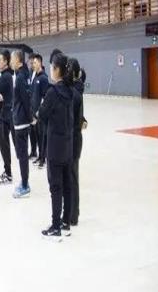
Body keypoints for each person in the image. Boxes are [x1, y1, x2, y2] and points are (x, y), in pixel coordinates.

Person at [38, 52, 74, 241]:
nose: (51, 70)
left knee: (55, 187)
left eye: (52, 67)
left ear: (57, 69)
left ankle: (55, 226)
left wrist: (40, 111)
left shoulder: (53, 92)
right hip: (68, 144)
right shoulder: (70, 91)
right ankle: (66, 223)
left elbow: (42, 115)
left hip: (55, 146)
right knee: (67, 185)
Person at [10, 50, 32, 199]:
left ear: (18, 60)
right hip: (22, 120)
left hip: (22, 122)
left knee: (22, 155)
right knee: (22, 154)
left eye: (12, 59)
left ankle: (25, 185)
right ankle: (24, 181)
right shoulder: (22, 74)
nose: (11, 61)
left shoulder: (20, 77)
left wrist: (29, 118)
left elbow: (25, 99)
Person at [68, 58, 87, 227]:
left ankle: (73, 214)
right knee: (72, 176)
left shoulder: (74, 92)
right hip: (75, 137)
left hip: (73, 139)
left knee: (72, 177)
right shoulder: (76, 89)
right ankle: (73, 211)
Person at [0, 49, 14, 185]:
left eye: (1, 60)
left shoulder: (5, 76)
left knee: (4, 145)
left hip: (3, 115)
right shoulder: (5, 75)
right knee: (4, 144)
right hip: (3, 114)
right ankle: (7, 171)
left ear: (6, 62)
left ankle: (8, 174)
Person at [30, 54, 49, 168]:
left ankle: (43, 158)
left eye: (35, 62)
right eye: (33, 63)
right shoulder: (35, 77)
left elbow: (45, 97)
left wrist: (39, 111)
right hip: (34, 112)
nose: (33, 64)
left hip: (40, 113)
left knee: (42, 136)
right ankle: (39, 155)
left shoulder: (44, 78)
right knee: (37, 135)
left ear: (40, 63)